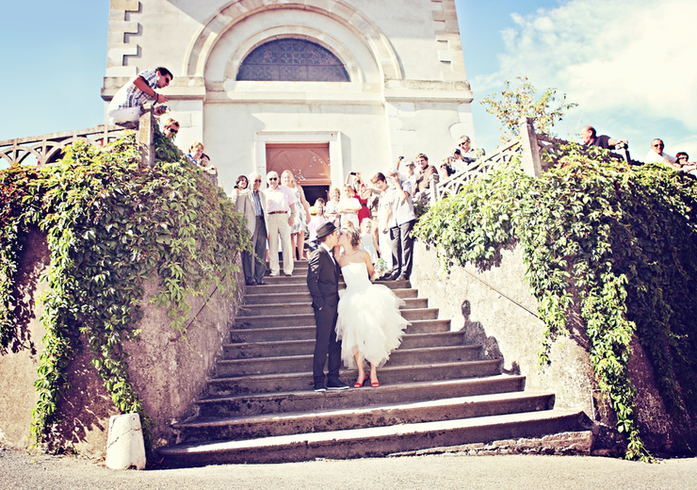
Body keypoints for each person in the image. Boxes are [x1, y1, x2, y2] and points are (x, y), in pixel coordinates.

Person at [334, 226, 409, 388]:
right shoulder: (338, 259)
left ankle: (373, 371)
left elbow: (372, 274)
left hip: (368, 293)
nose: (338, 236)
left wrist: (379, 273)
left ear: (349, 237)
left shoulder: (363, 254)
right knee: (353, 336)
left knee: (373, 332)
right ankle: (361, 372)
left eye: (341, 234)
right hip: (351, 298)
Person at [306, 222, 348, 392]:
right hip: (325, 306)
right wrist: (320, 303)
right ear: (329, 236)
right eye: (336, 234)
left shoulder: (331, 254)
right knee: (322, 343)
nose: (337, 236)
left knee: (335, 342)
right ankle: (318, 381)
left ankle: (333, 379)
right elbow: (311, 279)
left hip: (335, 305)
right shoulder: (319, 253)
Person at [106, 67, 172, 126]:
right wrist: (156, 96)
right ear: (158, 73)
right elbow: (137, 80)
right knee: (159, 123)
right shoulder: (152, 75)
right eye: (166, 80)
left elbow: (140, 107)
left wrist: (154, 111)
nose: (167, 84)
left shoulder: (149, 88)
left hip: (119, 113)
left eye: (168, 83)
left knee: (152, 118)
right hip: (123, 109)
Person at [235, 172, 268, 286]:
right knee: (250, 252)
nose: (257, 183)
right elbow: (239, 213)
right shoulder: (243, 194)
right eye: (255, 180)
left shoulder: (262, 195)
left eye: (259, 181)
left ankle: (260, 278)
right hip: (249, 225)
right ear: (249, 181)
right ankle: (250, 278)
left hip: (261, 223)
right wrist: (241, 229)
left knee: (261, 251)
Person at [385, 167, 416, 281]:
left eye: (391, 177)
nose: (389, 179)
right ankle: (395, 270)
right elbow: (389, 207)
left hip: (406, 217)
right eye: (388, 177)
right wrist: (386, 223)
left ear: (396, 175)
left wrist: (397, 184)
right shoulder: (389, 190)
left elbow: (403, 197)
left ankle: (405, 272)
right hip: (394, 221)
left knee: (405, 245)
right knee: (395, 246)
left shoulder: (406, 183)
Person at [265, 171, 296, 276]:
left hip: (283, 216)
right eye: (270, 179)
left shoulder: (285, 189)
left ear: (278, 179)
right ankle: (274, 270)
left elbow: (292, 203)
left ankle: (288, 270)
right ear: (267, 180)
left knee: (286, 243)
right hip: (271, 217)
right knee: (272, 244)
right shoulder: (265, 193)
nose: (273, 181)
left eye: (275, 178)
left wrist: (292, 215)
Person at [281, 170, 311, 261]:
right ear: (282, 179)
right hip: (289, 212)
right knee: (291, 234)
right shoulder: (282, 189)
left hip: (299, 211)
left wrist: (308, 214)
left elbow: (303, 201)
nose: (287, 179)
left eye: (288, 176)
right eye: (285, 177)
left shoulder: (298, 187)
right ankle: (293, 256)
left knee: (301, 233)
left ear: (292, 177)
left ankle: (301, 255)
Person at [369, 172, 393, 274]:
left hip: (388, 222)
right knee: (383, 246)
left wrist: (386, 224)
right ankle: (386, 267)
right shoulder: (382, 193)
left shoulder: (390, 192)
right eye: (376, 184)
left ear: (384, 181)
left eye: (379, 183)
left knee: (389, 245)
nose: (378, 186)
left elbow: (390, 208)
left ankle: (391, 267)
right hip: (381, 221)